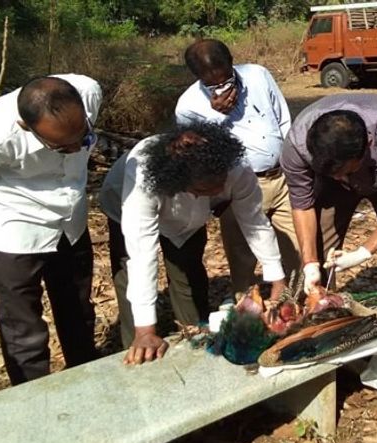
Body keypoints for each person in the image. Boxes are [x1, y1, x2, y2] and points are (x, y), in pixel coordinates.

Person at [0, 75, 102, 385]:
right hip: (15, 229)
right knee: (24, 330)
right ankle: (34, 401)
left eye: (82, 138)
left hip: (70, 221)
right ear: (25, 127)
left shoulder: (88, 92)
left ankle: (88, 382)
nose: (76, 150)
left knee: (77, 308)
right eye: (61, 147)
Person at [98, 122, 287, 363]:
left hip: (188, 222)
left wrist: (277, 281)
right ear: (181, 182)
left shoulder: (236, 169)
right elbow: (142, 254)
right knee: (131, 283)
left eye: (221, 184)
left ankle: (194, 343)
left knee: (189, 276)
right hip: (124, 207)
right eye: (207, 189)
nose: (220, 191)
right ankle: (137, 347)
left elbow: (254, 222)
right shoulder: (144, 179)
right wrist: (145, 331)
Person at [175, 39, 300, 304]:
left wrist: (292, 163)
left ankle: (298, 304)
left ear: (232, 62)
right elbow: (200, 158)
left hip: (280, 177)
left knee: (295, 247)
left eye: (225, 78)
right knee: (243, 256)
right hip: (237, 187)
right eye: (211, 84)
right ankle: (248, 310)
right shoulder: (188, 107)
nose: (221, 87)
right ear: (197, 77)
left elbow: (283, 119)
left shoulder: (257, 75)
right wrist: (218, 116)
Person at [280, 94, 377, 297]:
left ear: (367, 145)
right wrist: (310, 263)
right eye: (334, 172)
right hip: (330, 186)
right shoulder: (296, 145)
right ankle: (320, 310)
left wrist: (363, 252)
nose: (340, 177)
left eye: (345, 171)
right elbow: (302, 204)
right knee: (319, 252)